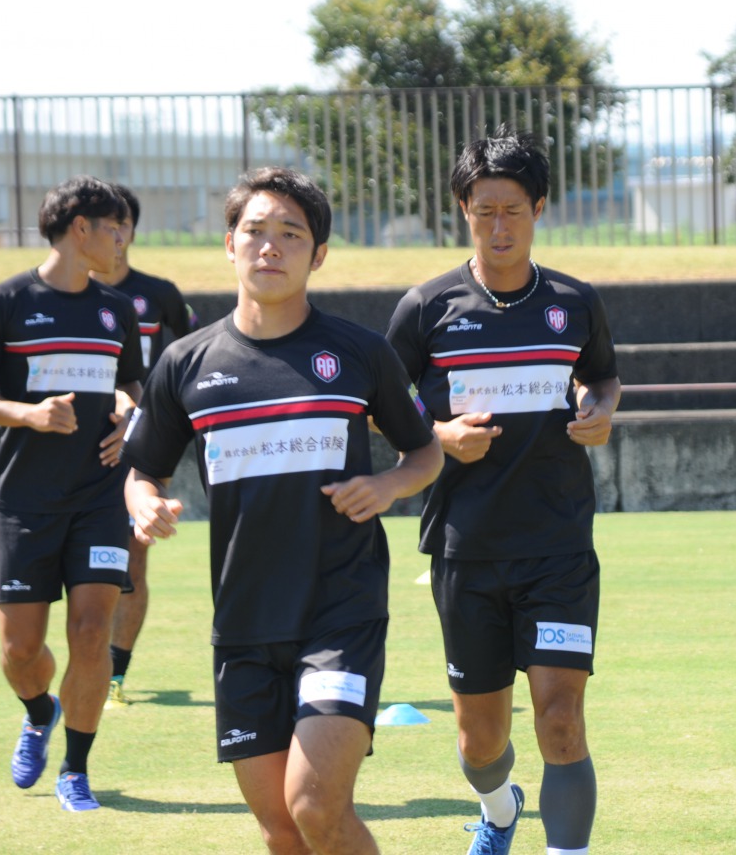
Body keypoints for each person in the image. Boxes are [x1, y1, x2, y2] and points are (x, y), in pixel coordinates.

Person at [124, 167, 443, 854]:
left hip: (341, 611)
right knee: (281, 829)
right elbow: (142, 469)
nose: (270, 246)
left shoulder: (360, 353)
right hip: (243, 623)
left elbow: (424, 452)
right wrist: (145, 503)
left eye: (291, 234)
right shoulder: (185, 363)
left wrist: (388, 486)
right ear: (229, 244)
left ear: (318, 254)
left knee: (315, 805)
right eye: (255, 231)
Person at [385, 129, 621, 855]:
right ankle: (498, 807)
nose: (499, 227)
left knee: (560, 719)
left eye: (513, 210)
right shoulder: (426, 308)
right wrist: (440, 435)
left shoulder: (574, 302)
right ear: (463, 210)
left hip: (558, 548)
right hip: (467, 549)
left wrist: (600, 409)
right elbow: (382, 404)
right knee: (479, 741)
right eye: (484, 211)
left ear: (539, 209)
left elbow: (601, 377)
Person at [0, 175, 145, 813]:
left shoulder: (117, 309)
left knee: (92, 632)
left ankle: (75, 770)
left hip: (100, 498)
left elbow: (132, 384)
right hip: (25, 501)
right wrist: (29, 415)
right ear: (80, 228)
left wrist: (128, 414)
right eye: (113, 227)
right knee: (19, 651)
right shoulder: (4, 301)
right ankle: (40, 710)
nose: (121, 240)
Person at [89, 183, 197, 709]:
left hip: (143, 442)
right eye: (104, 223)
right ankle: (82, 668)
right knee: (83, 566)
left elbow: (194, 350)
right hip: (75, 444)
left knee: (134, 561)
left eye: (123, 223)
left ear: (132, 229)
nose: (115, 234)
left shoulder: (158, 294)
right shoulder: (60, 297)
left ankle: (114, 674)